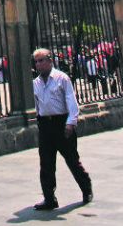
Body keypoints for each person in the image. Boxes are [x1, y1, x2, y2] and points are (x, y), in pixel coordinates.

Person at [32, 48, 93, 211]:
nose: (38, 64)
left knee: (72, 159)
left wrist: (71, 123)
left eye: (41, 60)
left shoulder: (62, 78)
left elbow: (71, 101)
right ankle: (49, 198)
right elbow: (37, 105)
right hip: (45, 125)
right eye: (36, 62)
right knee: (46, 163)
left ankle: (86, 189)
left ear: (50, 60)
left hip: (62, 123)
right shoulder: (35, 83)